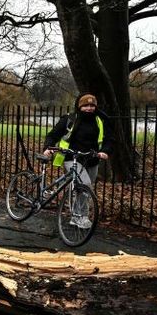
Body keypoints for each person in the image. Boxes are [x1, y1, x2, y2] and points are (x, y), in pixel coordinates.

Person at [42, 93, 113, 228]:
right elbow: (53, 135)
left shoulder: (100, 120)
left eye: (92, 105)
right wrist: (48, 147)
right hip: (71, 158)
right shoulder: (70, 119)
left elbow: (109, 139)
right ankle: (79, 217)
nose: (89, 108)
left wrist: (105, 151)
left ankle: (75, 212)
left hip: (91, 159)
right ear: (79, 106)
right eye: (86, 105)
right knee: (85, 185)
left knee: (83, 190)